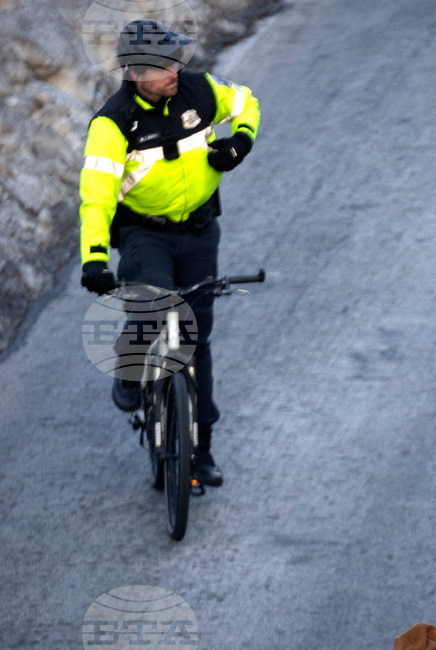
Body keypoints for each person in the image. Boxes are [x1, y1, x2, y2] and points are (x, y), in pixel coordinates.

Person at [78, 19, 261, 486]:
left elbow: (244, 102)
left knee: (196, 341)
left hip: (201, 230)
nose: (176, 71)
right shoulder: (113, 123)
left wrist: (240, 141)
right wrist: (95, 258)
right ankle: (131, 364)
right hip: (145, 234)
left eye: (177, 59)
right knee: (154, 301)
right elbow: (96, 197)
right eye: (164, 65)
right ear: (136, 73)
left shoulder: (198, 90)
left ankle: (201, 452)